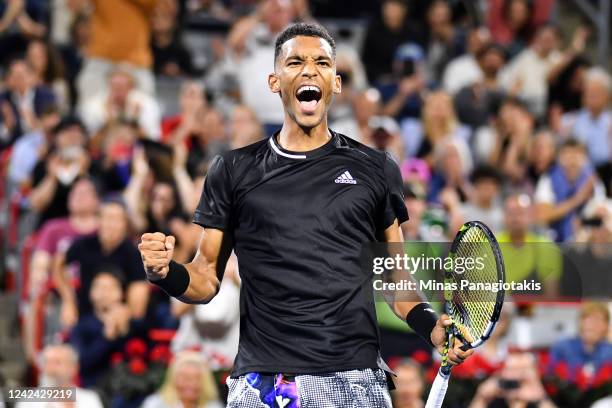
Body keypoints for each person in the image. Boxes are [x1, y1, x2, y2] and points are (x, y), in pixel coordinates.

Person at [139, 23, 472, 407]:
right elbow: (205, 279)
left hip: (353, 380)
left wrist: (432, 327)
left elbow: (395, 282)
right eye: (295, 61)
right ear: (275, 81)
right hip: (264, 383)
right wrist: (165, 273)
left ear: (337, 81)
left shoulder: (377, 168)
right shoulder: (232, 170)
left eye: (322, 62)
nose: (310, 70)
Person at [56, 199, 149, 329]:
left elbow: (138, 306)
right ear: (98, 220)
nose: (111, 224)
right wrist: (68, 301)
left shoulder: (133, 254)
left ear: (125, 224)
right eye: (107, 218)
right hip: (84, 314)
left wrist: (124, 313)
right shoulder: (85, 244)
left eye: (116, 219)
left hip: (117, 319)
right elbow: (58, 264)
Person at [534, 139, 606, 242]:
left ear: (585, 158)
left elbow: (599, 213)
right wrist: (578, 199)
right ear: (559, 158)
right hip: (554, 240)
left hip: (584, 242)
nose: (572, 160)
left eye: (577, 154)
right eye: (567, 154)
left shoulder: (592, 181)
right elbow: (541, 216)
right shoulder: (548, 179)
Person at [497, 194, 561, 296]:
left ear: (531, 216)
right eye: (511, 213)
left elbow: (551, 293)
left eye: (520, 213)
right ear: (503, 216)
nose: (515, 218)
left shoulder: (546, 247)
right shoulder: (489, 245)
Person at [15, 344, 104, 408]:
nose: (50, 368)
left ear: (74, 368)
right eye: (46, 362)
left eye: (57, 362)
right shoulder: (28, 402)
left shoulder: (89, 399)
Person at [548, 302, 612, 384]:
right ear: (580, 322)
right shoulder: (563, 346)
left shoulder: (608, 350)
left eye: (597, 320)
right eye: (588, 319)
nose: (592, 324)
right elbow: (549, 377)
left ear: (605, 326)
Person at [469, 352, 557, 408]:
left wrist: (540, 399)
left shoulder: (541, 400)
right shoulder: (493, 400)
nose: (516, 376)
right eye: (511, 370)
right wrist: (481, 399)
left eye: (522, 370)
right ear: (502, 373)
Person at [142, 351, 223, 408]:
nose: (190, 384)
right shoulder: (155, 405)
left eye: (196, 378)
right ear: (173, 380)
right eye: (185, 378)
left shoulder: (214, 406)